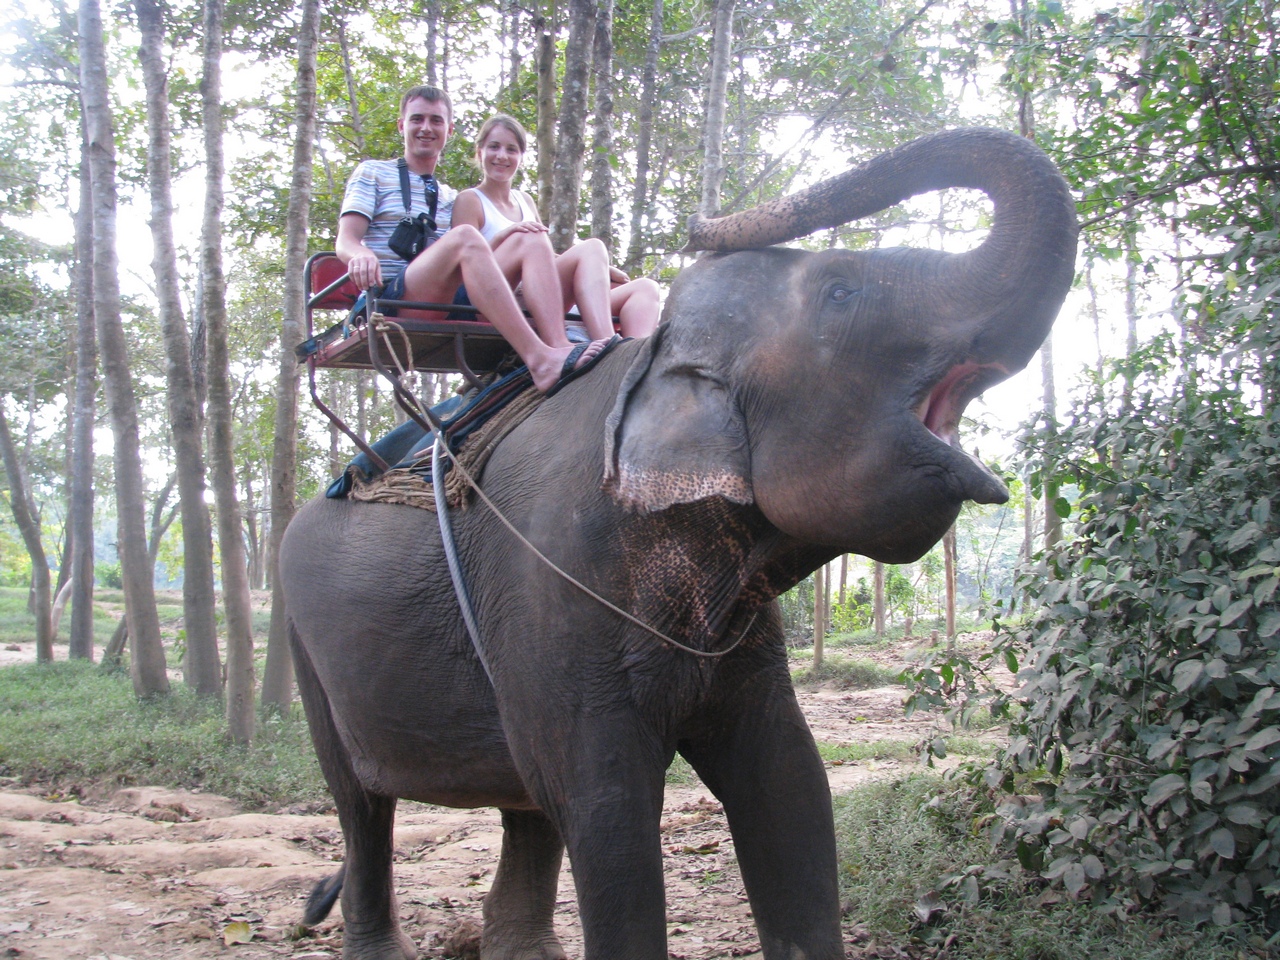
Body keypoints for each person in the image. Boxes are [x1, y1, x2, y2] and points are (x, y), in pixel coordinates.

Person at [335, 86, 615, 393]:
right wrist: (359, 254)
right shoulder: (373, 173)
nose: (426, 128)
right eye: (417, 119)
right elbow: (346, 240)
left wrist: (592, 266)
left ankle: (559, 345)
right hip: (393, 297)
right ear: (402, 125)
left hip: (453, 299)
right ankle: (538, 358)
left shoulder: (450, 197)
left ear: (449, 130)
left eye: (436, 120)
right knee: (467, 236)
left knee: (531, 236)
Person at [451, 114, 661, 340]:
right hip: (497, 296)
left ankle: (636, 355)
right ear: (480, 151)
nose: (502, 156)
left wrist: (603, 269)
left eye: (511, 150)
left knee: (645, 288)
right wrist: (504, 237)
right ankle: (607, 342)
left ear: (520, 157)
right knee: (591, 247)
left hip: (541, 295)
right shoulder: (470, 200)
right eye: (494, 147)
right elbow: (463, 267)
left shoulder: (525, 201)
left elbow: (543, 257)